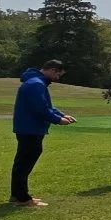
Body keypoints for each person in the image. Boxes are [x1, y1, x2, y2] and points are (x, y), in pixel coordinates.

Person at [10, 60, 75, 207]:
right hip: (30, 128)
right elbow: (41, 108)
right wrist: (58, 120)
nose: (57, 78)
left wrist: (62, 114)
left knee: (21, 162)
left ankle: (17, 195)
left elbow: (47, 106)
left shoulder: (35, 82)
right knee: (25, 163)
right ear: (52, 70)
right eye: (58, 74)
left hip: (27, 128)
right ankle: (22, 198)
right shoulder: (36, 84)